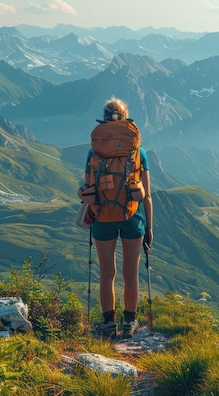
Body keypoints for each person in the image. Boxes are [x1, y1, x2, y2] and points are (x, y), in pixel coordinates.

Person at [80, 97, 153, 338]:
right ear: (126, 121)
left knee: (106, 272)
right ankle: (129, 323)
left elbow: (88, 187)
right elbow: (147, 195)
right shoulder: (138, 151)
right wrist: (149, 228)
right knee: (130, 272)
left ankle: (108, 323)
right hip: (133, 217)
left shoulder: (94, 151)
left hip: (102, 217)